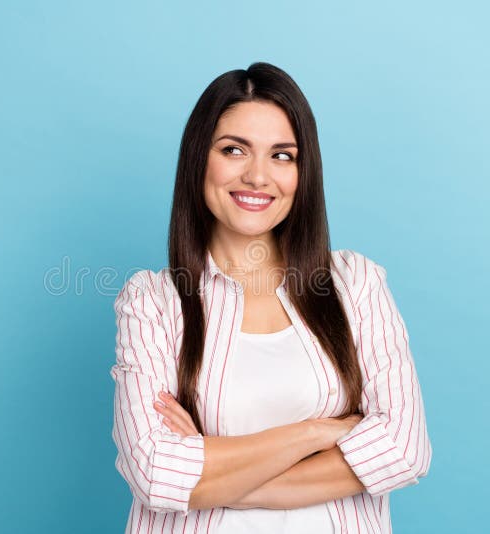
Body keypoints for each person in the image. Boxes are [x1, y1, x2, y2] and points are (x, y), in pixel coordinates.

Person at [109, 62, 432, 534]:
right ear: (199, 158)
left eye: (282, 155)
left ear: (304, 172)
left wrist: (208, 474)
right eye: (234, 150)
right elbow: (155, 473)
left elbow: (404, 451)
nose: (258, 176)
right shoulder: (152, 302)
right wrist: (317, 433)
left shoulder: (355, 283)